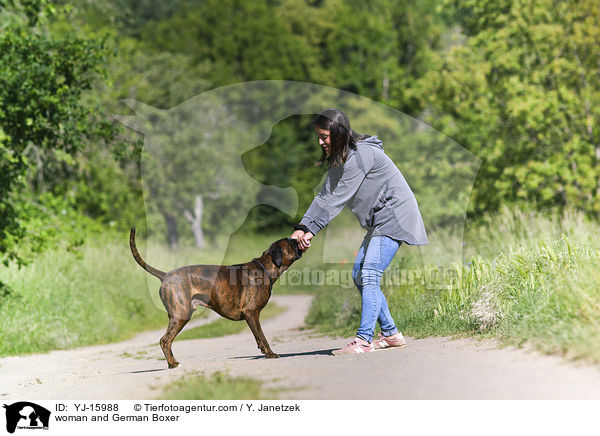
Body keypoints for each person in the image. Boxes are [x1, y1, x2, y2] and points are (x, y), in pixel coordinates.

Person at [290, 108, 428, 355]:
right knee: (359, 274)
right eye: (319, 137)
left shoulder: (362, 155)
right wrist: (302, 227)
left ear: (339, 132)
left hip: (395, 215)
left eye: (324, 136)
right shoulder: (342, 157)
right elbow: (324, 196)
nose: (320, 142)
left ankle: (363, 340)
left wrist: (312, 231)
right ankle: (391, 334)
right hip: (381, 219)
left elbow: (337, 199)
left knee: (370, 273)